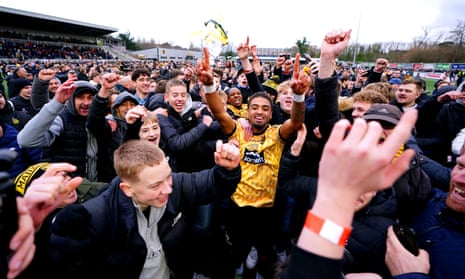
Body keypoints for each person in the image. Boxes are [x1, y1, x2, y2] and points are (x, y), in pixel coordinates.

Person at [47, 139, 241, 279]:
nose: (168, 189)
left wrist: (227, 170)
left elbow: (211, 184)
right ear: (128, 189)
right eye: (155, 185)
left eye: (168, 177)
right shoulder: (94, 217)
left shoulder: (174, 186)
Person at [197, 38, 306, 278]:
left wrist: (298, 97)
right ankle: (239, 257)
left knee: (264, 244)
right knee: (237, 241)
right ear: (248, 110)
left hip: (267, 206)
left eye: (265, 108)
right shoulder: (237, 130)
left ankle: (256, 260)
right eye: (255, 107)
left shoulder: (276, 134)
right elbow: (217, 111)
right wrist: (209, 86)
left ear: (271, 113)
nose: (259, 111)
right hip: (238, 204)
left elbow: (296, 121)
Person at [280, 104, 419, 278]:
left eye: (364, 184)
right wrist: (294, 153)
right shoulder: (323, 189)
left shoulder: (388, 228)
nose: (355, 192)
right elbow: (287, 183)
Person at [17, 78, 101, 181]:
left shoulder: (99, 120)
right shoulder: (61, 119)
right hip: (63, 186)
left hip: (93, 185)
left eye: (90, 97)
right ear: (70, 99)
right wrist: (56, 103)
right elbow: (25, 141)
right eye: (80, 97)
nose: (86, 102)